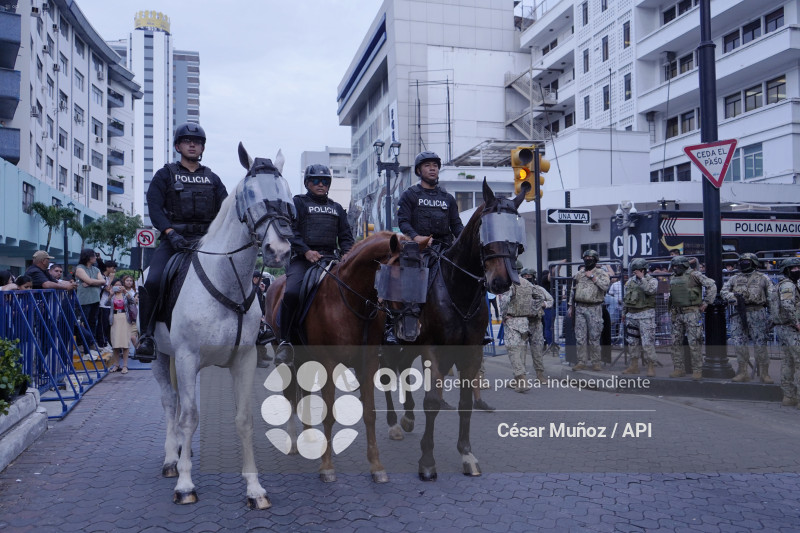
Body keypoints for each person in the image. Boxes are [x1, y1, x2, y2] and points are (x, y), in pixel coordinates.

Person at [135, 122, 227, 361]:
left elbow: (225, 212)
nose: (193, 145)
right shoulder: (164, 175)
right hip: (173, 240)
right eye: (187, 141)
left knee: (237, 275)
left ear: (203, 147)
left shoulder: (213, 179)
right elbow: (155, 208)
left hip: (207, 243)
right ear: (178, 146)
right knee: (153, 281)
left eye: (197, 142)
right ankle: (146, 337)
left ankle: (254, 328)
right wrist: (169, 232)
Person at [275, 164, 354, 365]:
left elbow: (345, 236)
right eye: (315, 181)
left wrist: (347, 254)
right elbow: (291, 230)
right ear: (307, 183)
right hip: (303, 260)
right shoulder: (298, 203)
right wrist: (306, 251)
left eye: (325, 181)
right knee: (292, 292)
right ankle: (285, 341)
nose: (320, 184)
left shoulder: (337, 208)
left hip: (331, 259)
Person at [721, 253, 776, 383]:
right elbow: (724, 291)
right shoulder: (734, 278)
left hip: (757, 312)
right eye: (742, 261)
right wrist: (732, 297)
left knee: (760, 344)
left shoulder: (763, 278)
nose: (743, 263)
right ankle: (743, 372)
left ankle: (764, 373)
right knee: (739, 343)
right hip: (738, 313)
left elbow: (772, 297)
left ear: (754, 262)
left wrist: (773, 316)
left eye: (746, 261)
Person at [499, 267, 553, 391]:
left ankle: (533, 377)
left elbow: (548, 300)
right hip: (525, 322)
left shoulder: (529, 286)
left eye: (530, 276)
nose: (528, 277)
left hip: (529, 322)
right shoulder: (527, 285)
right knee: (520, 352)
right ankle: (518, 379)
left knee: (527, 350)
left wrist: (535, 308)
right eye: (525, 275)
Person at [397, 151, 463, 249]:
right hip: (418, 250)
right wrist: (416, 237)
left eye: (435, 166)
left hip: (445, 250)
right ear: (419, 170)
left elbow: (456, 226)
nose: (432, 168)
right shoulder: (409, 195)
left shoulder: (448, 198)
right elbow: (403, 222)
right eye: (427, 165)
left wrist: (469, 237)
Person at [667, 255, 717, 380]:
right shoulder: (673, 277)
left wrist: (706, 302)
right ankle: (679, 368)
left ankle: (697, 370)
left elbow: (712, 285)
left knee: (694, 342)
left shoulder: (695, 275)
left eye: (676, 266)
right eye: (673, 266)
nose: (674, 269)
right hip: (677, 313)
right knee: (675, 342)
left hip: (692, 313)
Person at [568, 249, 610, 371]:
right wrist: (571, 306)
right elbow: (573, 290)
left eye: (590, 258)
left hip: (594, 308)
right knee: (580, 336)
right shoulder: (579, 274)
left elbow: (605, 286)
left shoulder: (601, 273)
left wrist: (592, 277)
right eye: (585, 258)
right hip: (580, 307)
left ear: (595, 260)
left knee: (594, 336)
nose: (587, 260)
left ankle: (596, 362)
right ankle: (581, 361)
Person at [769, 258, 800, 406]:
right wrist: (797, 322)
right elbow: (788, 305)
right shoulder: (788, 285)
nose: (796, 270)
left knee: (788, 362)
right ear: (786, 270)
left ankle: (788, 396)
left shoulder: (779, 284)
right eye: (793, 268)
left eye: (797, 268)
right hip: (791, 328)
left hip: (782, 328)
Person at [620, 258, 659, 377]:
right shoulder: (630, 282)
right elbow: (626, 299)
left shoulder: (652, 281)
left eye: (637, 270)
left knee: (647, 342)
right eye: (634, 270)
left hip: (646, 315)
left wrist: (642, 278)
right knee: (632, 342)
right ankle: (634, 366)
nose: (635, 272)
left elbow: (650, 291)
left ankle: (650, 366)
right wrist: (624, 313)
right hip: (631, 315)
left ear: (643, 270)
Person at [74, 248, 106, 349]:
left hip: (95, 300)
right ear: (87, 257)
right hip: (84, 300)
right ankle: (81, 344)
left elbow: (103, 281)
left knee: (93, 322)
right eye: (93, 255)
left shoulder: (96, 269)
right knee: (83, 322)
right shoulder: (79, 268)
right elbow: (94, 281)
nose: (95, 258)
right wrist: (94, 282)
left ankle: (91, 343)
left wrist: (90, 282)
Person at [108, 279, 135, 374]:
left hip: (125, 318)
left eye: (120, 285)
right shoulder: (112, 295)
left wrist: (125, 291)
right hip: (114, 319)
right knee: (115, 344)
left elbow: (132, 301)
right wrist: (111, 294)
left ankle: (125, 365)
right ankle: (116, 364)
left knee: (125, 343)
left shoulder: (124, 295)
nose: (118, 287)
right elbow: (106, 304)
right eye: (116, 285)